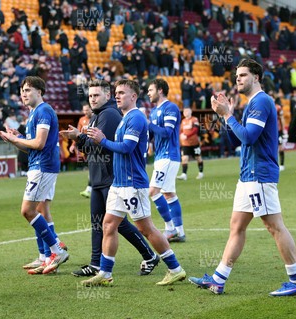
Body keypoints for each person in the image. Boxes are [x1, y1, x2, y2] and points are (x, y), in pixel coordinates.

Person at [189, 59, 296, 296]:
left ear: (256, 77)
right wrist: (226, 116)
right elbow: (237, 140)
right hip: (248, 176)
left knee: (274, 226)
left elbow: (250, 137)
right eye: (236, 76)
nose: (238, 79)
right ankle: (218, 279)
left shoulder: (261, 101)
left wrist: (229, 116)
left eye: (243, 75)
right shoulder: (253, 103)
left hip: (259, 174)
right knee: (237, 227)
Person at [81, 79, 186, 287]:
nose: (117, 95)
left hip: (132, 183)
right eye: (116, 92)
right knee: (109, 225)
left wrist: (102, 140)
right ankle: (105, 272)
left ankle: (175, 269)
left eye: (122, 92)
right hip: (119, 184)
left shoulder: (136, 118)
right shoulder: (125, 118)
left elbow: (127, 147)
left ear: (133, 97)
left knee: (146, 228)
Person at [60, 79, 159, 278]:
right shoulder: (97, 116)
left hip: (111, 176)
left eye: (96, 95)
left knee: (118, 223)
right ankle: (96, 264)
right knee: (99, 223)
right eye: (90, 96)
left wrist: (80, 138)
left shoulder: (110, 115)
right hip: (98, 176)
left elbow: (102, 145)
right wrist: (78, 138)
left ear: (107, 95)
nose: (92, 99)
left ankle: (150, 255)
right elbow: (90, 146)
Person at [0, 76, 69, 275]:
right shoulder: (34, 114)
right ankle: (46, 257)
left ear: (39, 91)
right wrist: (15, 139)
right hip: (40, 164)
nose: (23, 94)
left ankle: (56, 250)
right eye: (22, 91)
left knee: (28, 211)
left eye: (28, 90)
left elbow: (38, 144)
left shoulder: (44, 111)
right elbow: (32, 149)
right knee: (41, 210)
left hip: (43, 167)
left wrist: (16, 138)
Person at [147, 78, 185, 242]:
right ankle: (180, 232)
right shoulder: (154, 111)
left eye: (151, 90)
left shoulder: (170, 108)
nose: (148, 93)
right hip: (161, 156)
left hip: (169, 155)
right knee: (169, 194)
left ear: (160, 90)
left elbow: (166, 133)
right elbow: (152, 134)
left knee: (153, 191)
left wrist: (148, 124)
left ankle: (170, 229)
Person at [177, 107, 204, 181]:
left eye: (187, 111)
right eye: (184, 111)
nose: (185, 112)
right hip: (185, 144)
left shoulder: (194, 119)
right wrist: (181, 135)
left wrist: (187, 136)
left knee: (198, 158)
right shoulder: (183, 121)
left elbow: (195, 130)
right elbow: (181, 131)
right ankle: (184, 174)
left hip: (194, 143)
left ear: (190, 112)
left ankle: (201, 172)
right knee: (184, 158)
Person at [71, 103, 92, 198]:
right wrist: (73, 145)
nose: (85, 112)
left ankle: (90, 188)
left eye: (87, 110)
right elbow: (77, 133)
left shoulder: (97, 118)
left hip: (95, 146)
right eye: (84, 110)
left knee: (93, 167)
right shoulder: (82, 120)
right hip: (86, 148)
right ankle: (91, 188)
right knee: (92, 167)